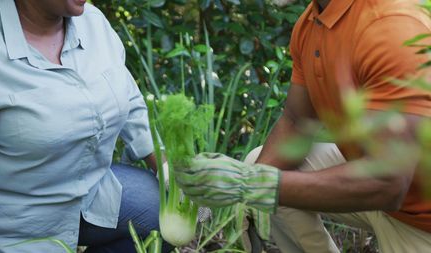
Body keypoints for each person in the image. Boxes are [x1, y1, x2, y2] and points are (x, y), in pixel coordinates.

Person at [175, 0, 431, 252]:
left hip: (419, 218)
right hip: (381, 187)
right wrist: (242, 198)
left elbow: (388, 182)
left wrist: (251, 184)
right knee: (259, 164)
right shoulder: (312, 23)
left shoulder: (391, 26)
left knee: (262, 180)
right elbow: (297, 121)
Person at [0, 0, 167, 252]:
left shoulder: (94, 23)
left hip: (89, 196)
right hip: (14, 231)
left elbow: (130, 102)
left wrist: (166, 171)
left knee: (175, 218)